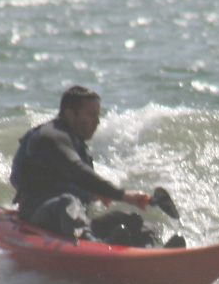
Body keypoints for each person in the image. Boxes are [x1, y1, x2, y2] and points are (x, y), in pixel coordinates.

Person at [10, 85, 178, 247]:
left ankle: (157, 251)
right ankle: (90, 244)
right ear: (70, 114)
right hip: (39, 217)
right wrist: (121, 195)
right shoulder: (50, 137)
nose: (97, 121)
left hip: (73, 223)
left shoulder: (74, 142)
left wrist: (96, 193)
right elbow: (76, 171)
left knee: (132, 220)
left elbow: (72, 180)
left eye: (98, 115)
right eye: (91, 115)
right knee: (68, 202)